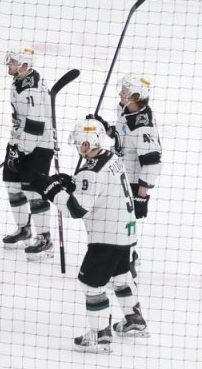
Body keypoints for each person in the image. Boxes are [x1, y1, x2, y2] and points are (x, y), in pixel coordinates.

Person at [31, 119, 148, 352]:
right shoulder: (111, 158)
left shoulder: (90, 171)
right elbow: (96, 188)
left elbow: (76, 209)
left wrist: (52, 191)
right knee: (121, 276)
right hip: (125, 231)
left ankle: (100, 336)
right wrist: (70, 182)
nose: (77, 147)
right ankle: (135, 319)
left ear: (87, 142)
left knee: (90, 284)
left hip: (106, 238)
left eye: (78, 143)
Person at [88, 75, 162, 277]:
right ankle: (124, 254)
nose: (120, 93)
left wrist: (142, 194)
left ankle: (127, 261)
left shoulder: (142, 126)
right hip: (119, 174)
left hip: (133, 181)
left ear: (134, 96)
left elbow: (152, 162)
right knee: (112, 217)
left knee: (123, 221)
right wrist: (104, 127)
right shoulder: (126, 109)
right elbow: (121, 137)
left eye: (124, 91)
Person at [1, 46, 55, 258]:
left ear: (25, 65)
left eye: (13, 61)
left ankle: (44, 238)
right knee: (13, 185)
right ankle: (24, 229)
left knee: (33, 190)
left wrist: (21, 150)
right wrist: (16, 146)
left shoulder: (31, 89)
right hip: (19, 143)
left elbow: (35, 126)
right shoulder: (20, 81)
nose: (9, 64)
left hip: (38, 146)